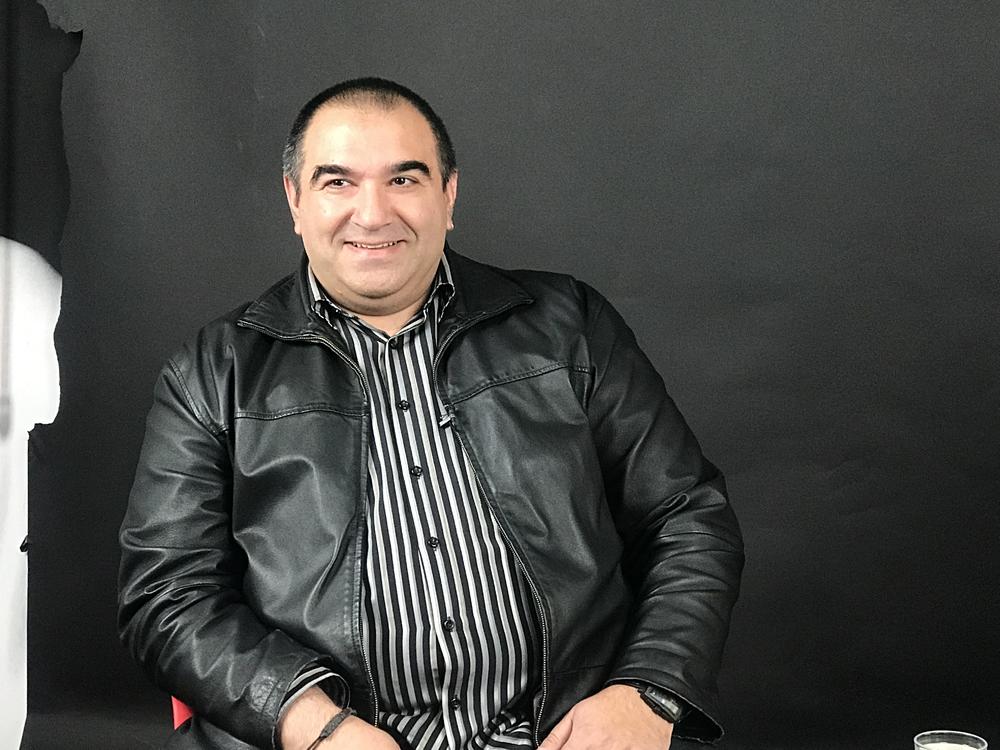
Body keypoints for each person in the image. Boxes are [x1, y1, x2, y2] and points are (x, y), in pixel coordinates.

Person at [118, 77, 744, 750]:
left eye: (404, 179)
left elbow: (687, 516)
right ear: (295, 200)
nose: (372, 213)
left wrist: (646, 693)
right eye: (337, 182)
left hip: (559, 734)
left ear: (449, 195)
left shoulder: (569, 326)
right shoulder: (213, 372)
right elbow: (168, 596)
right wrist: (312, 726)